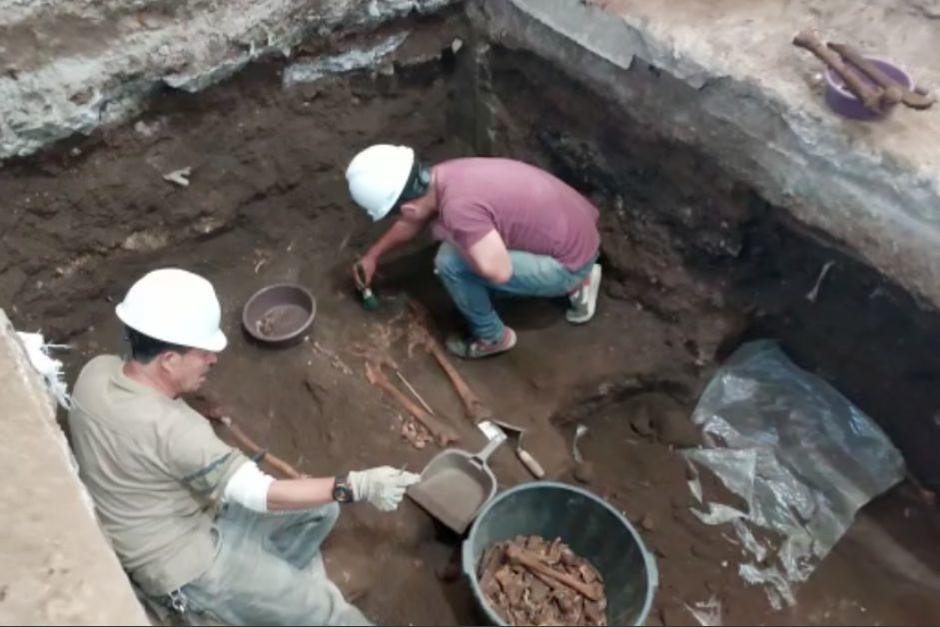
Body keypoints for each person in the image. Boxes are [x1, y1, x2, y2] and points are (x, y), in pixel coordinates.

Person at [68, 268, 419, 625]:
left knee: (320, 509)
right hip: (187, 564)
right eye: (203, 352)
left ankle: (269, 598)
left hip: (178, 512)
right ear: (169, 360)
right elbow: (258, 494)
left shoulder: (96, 373)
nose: (213, 360)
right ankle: (273, 604)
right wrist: (356, 485)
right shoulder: (179, 432)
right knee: (331, 613)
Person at [346, 144, 602, 359]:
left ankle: (493, 337)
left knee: (449, 261)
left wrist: (452, 234)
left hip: (568, 264)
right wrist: (373, 255)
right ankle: (583, 275)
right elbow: (412, 220)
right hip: (579, 232)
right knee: (477, 234)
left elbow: (498, 271)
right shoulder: (446, 174)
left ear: (407, 207)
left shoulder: (459, 210)